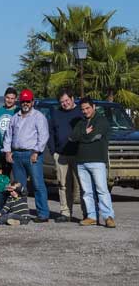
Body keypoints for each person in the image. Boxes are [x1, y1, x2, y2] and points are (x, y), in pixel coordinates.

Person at [2, 89, 51, 222]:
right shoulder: (15, 117)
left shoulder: (38, 117)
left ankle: (43, 214)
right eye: (23, 101)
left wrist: (37, 151)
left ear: (32, 102)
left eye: (28, 101)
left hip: (32, 154)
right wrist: (7, 151)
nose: (25, 104)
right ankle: (21, 212)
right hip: (17, 155)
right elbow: (8, 136)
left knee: (37, 184)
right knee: (19, 186)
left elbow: (44, 136)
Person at [71, 97, 116, 228]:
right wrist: (84, 133)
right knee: (86, 192)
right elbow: (72, 137)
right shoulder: (80, 122)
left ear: (93, 107)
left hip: (97, 161)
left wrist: (82, 136)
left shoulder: (101, 120)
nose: (85, 111)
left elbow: (95, 136)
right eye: (83, 109)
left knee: (102, 190)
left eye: (87, 108)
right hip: (81, 161)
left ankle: (108, 217)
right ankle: (91, 216)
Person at [48, 90, 84, 222]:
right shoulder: (56, 114)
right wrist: (53, 152)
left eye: (67, 100)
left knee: (82, 186)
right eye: (62, 102)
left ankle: (87, 214)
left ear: (72, 98)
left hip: (78, 155)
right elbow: (50, 133)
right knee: (63, 185)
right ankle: (65, 212)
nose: (65, 103)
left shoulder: (81, 112)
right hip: (61, 155)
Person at [0, 87, 19, 162]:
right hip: (2, 151)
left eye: (12, 98)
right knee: (3, 174)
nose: (9, 100)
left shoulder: (18, 111)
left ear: (16, 99)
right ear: (4, 97)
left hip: (16, 151)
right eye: (7, 98)